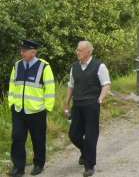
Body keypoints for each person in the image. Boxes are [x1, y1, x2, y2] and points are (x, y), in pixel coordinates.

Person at [8, 40, 55, 177]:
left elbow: (50, 89)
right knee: (17, 138)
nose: (21, 52)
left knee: (38, 139)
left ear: (33, 52)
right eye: (21, 50)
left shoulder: (44, 67)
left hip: (37, 111)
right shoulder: (17, 66)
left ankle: (39, 164)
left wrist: (47, 108)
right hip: (18, 110)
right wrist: (11, 103)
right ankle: (18, 167)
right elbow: (12, 85)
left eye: (24, 50)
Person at [64, 41, 111, 177]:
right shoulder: (74, 67)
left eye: (80, 50)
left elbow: (106, 84)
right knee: (74, 134)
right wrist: (66, 102)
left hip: (92, 105)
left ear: (88, 52)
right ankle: (86, 152)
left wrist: (100, 99)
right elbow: (71, 85)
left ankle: (89, 165)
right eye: (77, 50)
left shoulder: (99, 66)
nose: (77, 52)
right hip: (77, 105)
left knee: (91, 135)